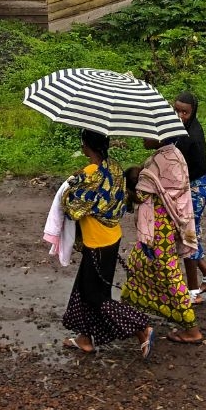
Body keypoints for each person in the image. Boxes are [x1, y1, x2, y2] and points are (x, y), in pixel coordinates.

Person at [59, 130, 155, 358]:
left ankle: (141, 329)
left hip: (97, 244)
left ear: (86, 147)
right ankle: (84, 338)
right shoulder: (113, 167)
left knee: (96, 297)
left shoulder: (88, 175)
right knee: (84, 289)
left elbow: (70, 206)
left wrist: (72, 182)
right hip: (112, 238)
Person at [121, 138, 204, 345]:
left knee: (169, 273)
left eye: (146, 135)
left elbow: (141, 195)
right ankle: (134, 312)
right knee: (138, 263)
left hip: (159, 228)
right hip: (167, 224)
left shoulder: (160, 161)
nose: (142, 139)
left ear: (158, 137)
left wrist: (130, 187)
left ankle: (192, 329)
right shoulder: (174, 155)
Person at [173, 92, 206, 303]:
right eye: (177, 110)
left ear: (193, 113)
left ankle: (193, 293)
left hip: (194, 191)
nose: (180, 115)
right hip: (196, 188)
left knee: (187, 239)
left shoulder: (189, 136)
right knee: (187, 235)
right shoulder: (187, 129)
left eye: (185, 112)